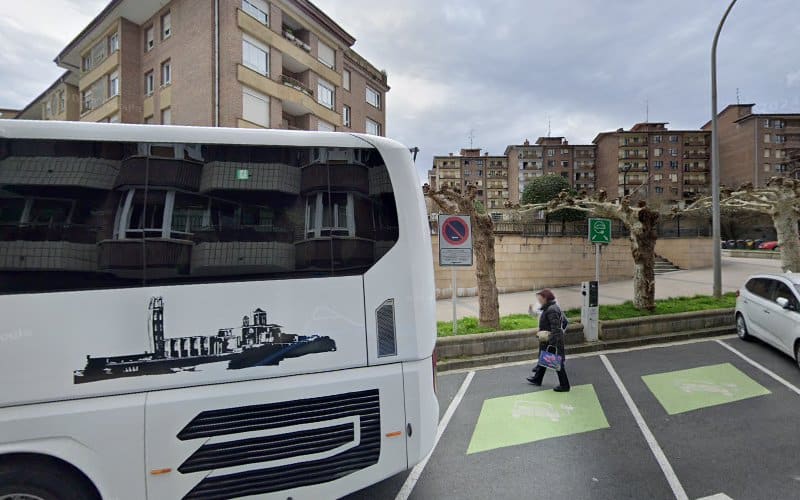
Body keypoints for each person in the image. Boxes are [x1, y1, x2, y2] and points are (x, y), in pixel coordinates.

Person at [527, 289, 571, 392]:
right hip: (550, 340)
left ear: (545, 298)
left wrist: (552, 342)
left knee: (558, 363)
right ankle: (537, 379)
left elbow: (556, 328)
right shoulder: (550, 307)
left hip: (552, 341)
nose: (539, 301)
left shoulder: (551, 309)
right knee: (544, 358)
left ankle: (565, 385)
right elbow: (564, 322)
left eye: (540, 299)